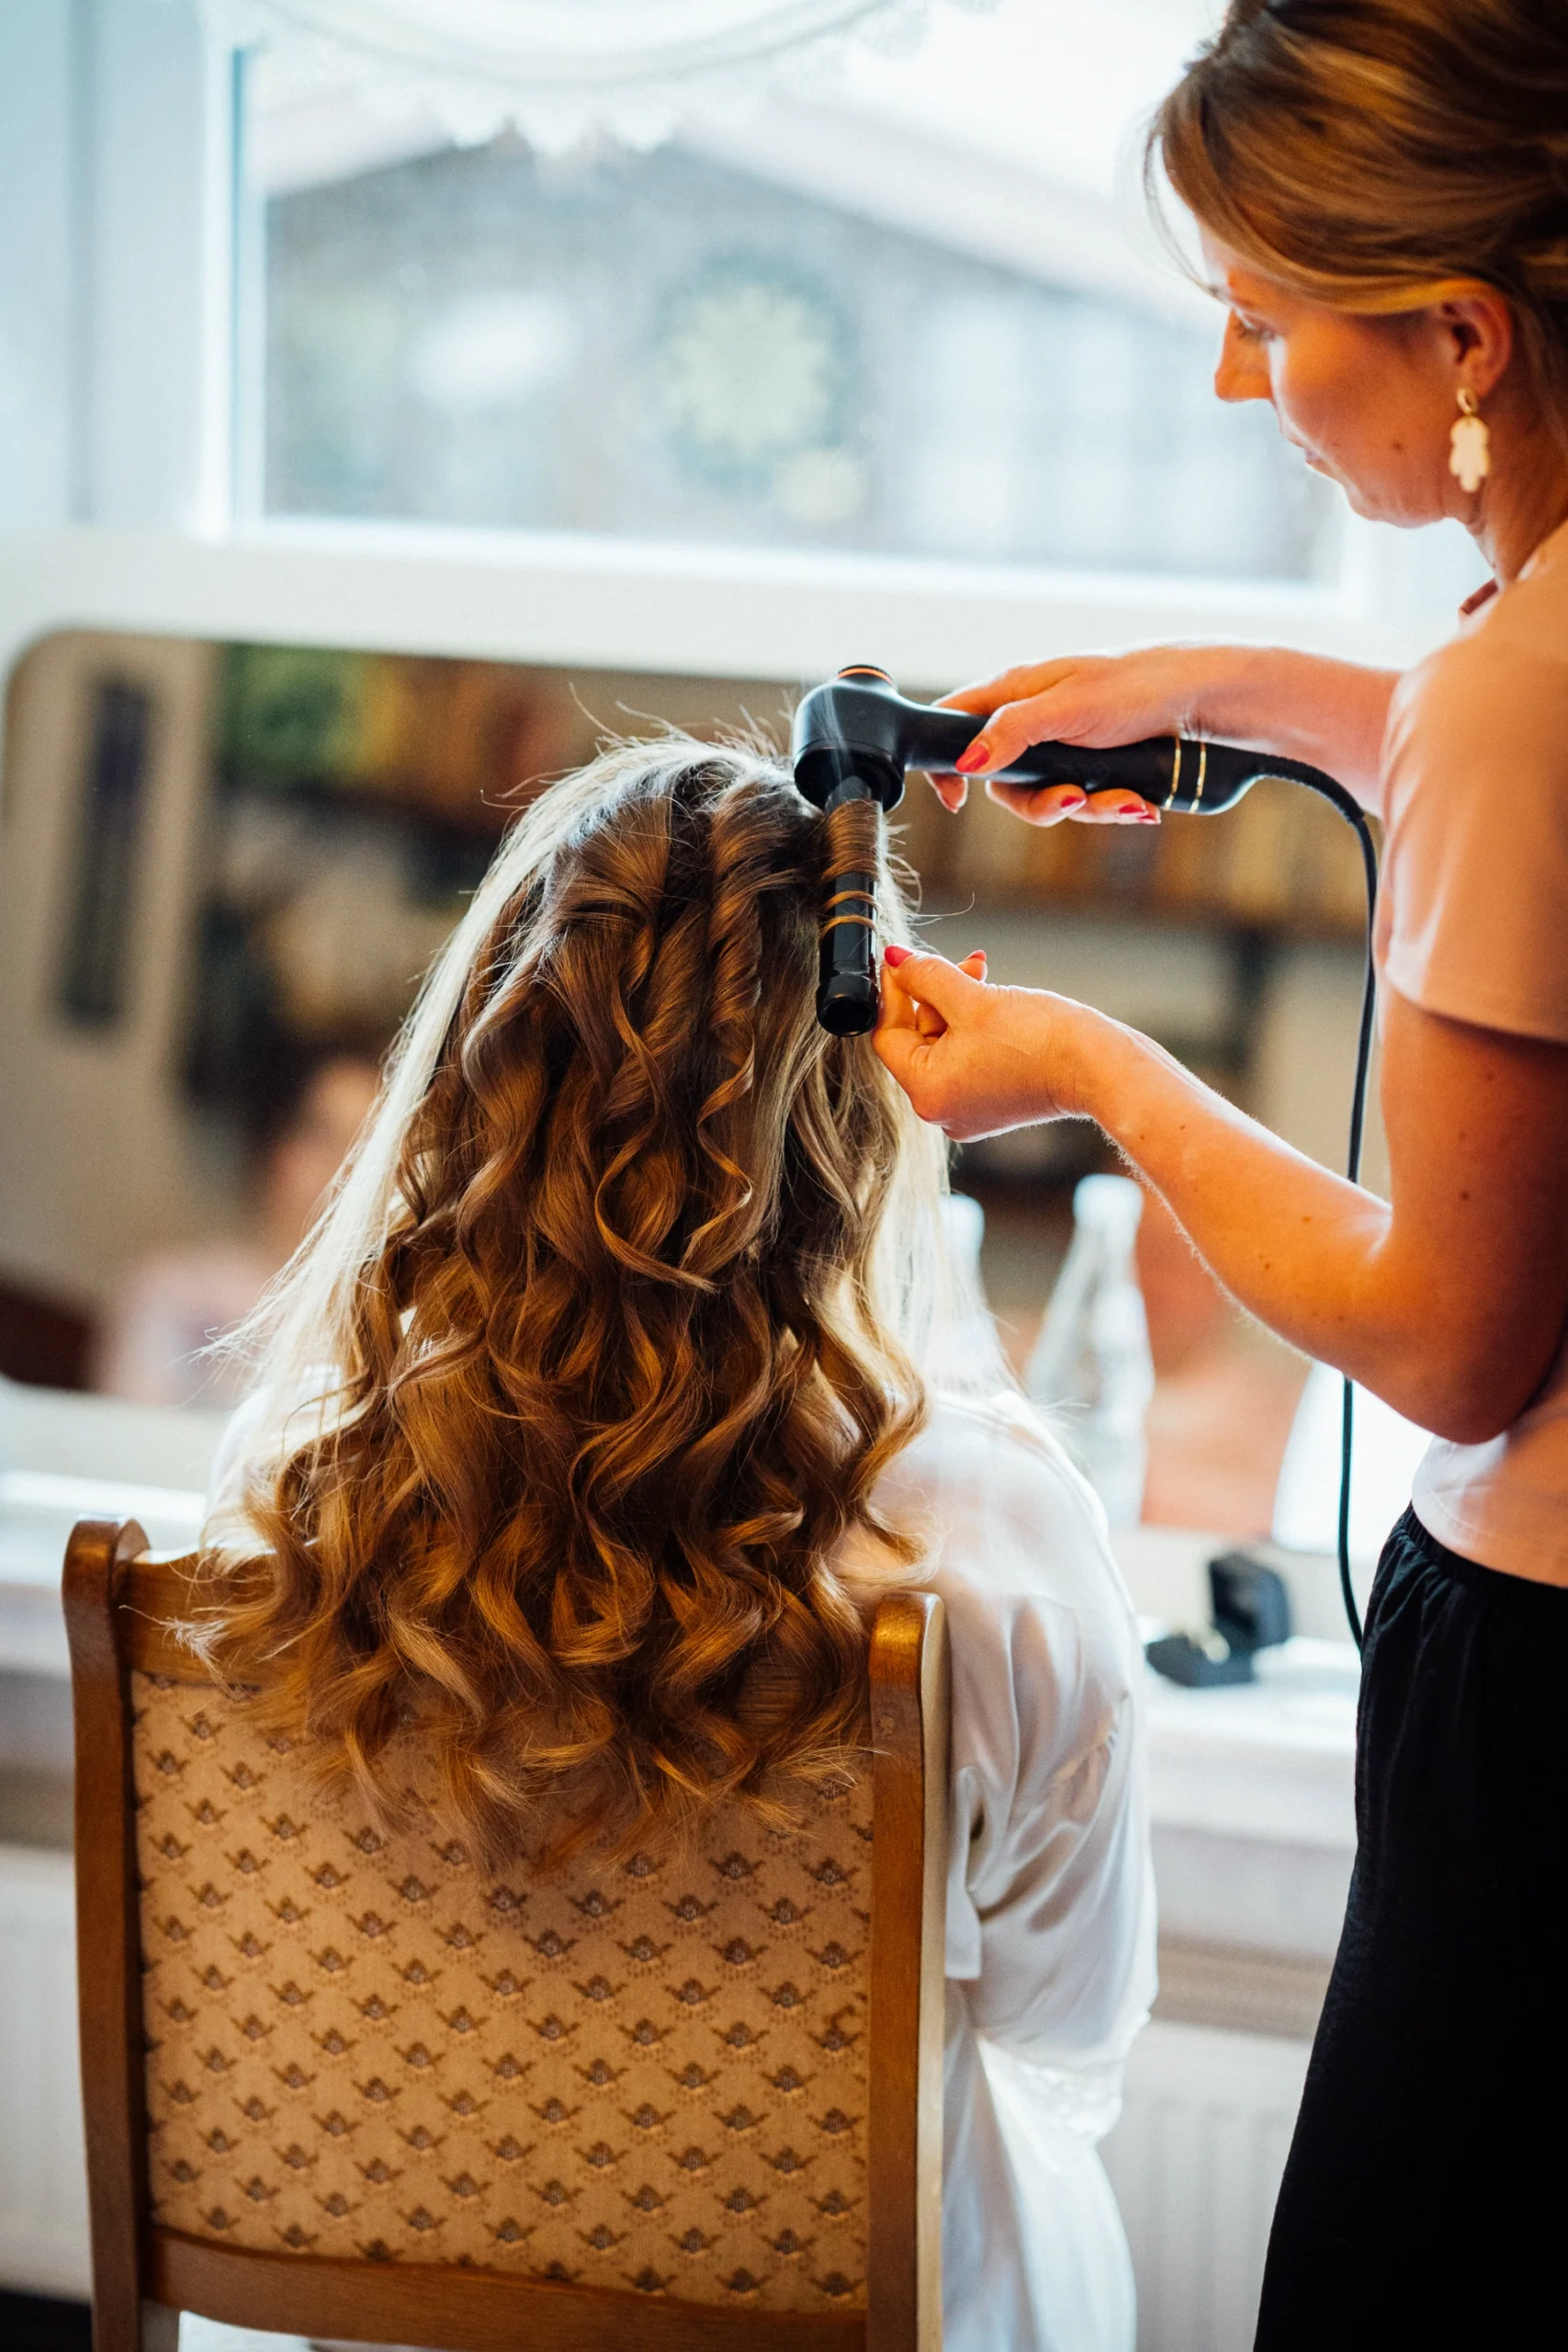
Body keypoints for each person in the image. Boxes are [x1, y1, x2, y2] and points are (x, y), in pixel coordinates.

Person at [873, 3, 1568, 2343]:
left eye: (1258, 322)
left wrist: (1087, 1065)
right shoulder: (1510, 662)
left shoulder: (1509, 687)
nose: (1225, 382)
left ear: (1458, 334)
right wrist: (1243, 688)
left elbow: (1446, 1343)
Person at [202, 741, 1155, 2352]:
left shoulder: (311, 1497)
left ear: (484, 1078)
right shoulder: (982, 1531)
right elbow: (1065, 2026)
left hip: (424, 2306)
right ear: (855, 1112)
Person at [93, 1052, 381, 1408]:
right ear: (276, 1144)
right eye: (322, 1136)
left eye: (369, 1148)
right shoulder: (171, 1290)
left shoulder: (383, 1327)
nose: (343, 1169)